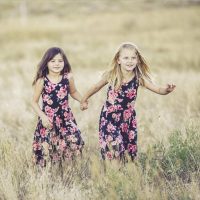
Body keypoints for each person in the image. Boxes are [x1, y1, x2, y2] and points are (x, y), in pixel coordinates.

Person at [80, 42, 175, 163]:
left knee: (127, 155)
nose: (129, 61)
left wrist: (166, 90)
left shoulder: (138, 78)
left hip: (127, 121)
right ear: (118, 60)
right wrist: (84, 99)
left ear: (138, 60)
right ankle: (113, 177)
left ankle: (120, 177)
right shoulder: (112, 75)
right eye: (126, 58)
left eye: (133, 58)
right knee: (114, 148)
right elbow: (96, 87)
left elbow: (157, 89)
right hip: (109, 119)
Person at [32, 47, 85, 167]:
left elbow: (74, 92)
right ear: (46, 63)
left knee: (74, 142)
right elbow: (34, 102)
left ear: (64, 62)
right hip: (49, 120)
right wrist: (43, 117)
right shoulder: (42, 81)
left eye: (60, 61)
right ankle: (49, 175)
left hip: (66, 119)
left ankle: (69, 171)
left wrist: (83, 100)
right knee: (49, 149)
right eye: (53, 61)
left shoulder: (68, 78)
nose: (57, 64)